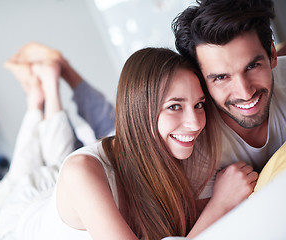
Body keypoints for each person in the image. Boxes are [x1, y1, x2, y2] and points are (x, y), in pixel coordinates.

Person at [47, 47, 257, 239]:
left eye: (199, 104)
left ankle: (64, 72)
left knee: (105, 123)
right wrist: (220, 205)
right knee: (56, 151)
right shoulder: (82, 171)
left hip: (124, 147)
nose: (195, 124)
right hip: (28, 209)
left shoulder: (172, 152)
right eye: (174, 106)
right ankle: (48, 85)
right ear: (139, 110)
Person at [172, 0, 286, 198]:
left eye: (252, 67)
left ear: (272, 54)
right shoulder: (195, 145)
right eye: (221, 77)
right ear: (202, 81)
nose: (245, 92)